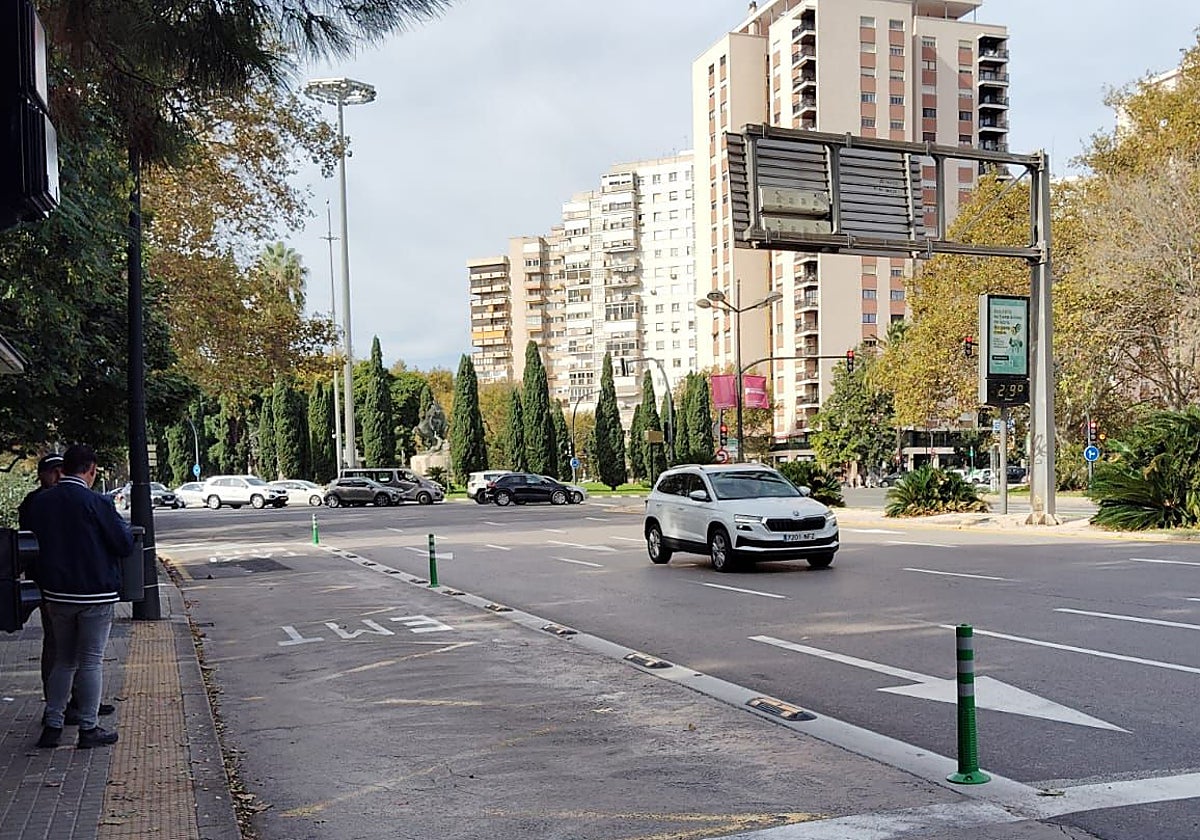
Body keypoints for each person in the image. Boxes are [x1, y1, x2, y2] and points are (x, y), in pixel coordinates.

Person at [24, 444, 133, 749]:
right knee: (91, 661)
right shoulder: (97, 502)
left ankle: (53, 725)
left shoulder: (41, 503)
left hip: (56, 593)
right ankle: (88, 727)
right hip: (95, 592)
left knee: (64, 660)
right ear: (91, 470)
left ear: (63, 469)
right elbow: (123, 543)